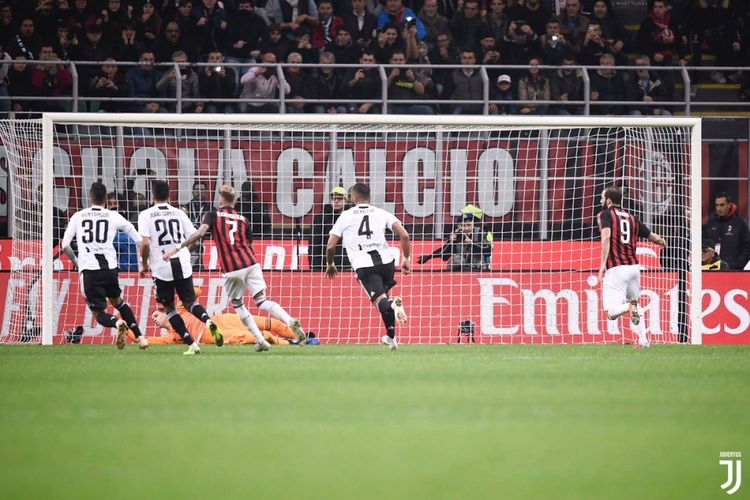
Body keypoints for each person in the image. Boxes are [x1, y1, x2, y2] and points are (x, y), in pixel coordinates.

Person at [163, 185, 307, 352]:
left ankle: (260, 340)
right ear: (235, 200)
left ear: (221, 198)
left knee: (238, 305)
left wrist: (178, 247)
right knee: (262, 301)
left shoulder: (212, 215)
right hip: (252, 263)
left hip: (232, 268)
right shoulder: (243, 219)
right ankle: (289, 320)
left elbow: (200, 233)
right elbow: (250, 244)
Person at [138, 180, 223, 356]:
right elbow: (195, 238)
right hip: (182, 264)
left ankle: (192, 344)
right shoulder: (179, 213)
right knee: (190, 303)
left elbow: (145, 243)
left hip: (161, 267)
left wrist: (144, 264)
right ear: (169, 196)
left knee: (169, 308)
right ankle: (208, 321)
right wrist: (184, 252)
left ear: (153, 196)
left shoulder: (146, 214)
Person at [60, 182, 148, 350]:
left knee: (99, 314)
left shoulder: (78, 216)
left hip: (89, 271)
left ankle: (117, 323)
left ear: (90, 197)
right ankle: (140, 337)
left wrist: (78, 264)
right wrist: (144, 261)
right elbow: (138, 239)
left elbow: (65, 245)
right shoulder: (113, 216)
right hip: (110, 269)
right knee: (119, 302)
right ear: (105, 200)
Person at [325, 183, 411, 350]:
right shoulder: (381, 213)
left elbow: (330, 246)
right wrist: (406, 259)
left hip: (364, 265)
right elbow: (405, 235)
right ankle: (391, 339)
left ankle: (393, 303)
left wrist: (330, 264)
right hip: (387, 263)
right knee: (384, 302)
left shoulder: (345, 216)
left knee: (382, 302)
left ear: (355, 197)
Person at [596, 186, 666, 349]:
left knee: (612, 312)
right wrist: (661, 241)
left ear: (608, 201)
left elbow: (606, 237)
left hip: (616, 269)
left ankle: (629, 308)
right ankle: (643, 341)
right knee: (635, 301)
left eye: (601, 198)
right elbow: (652, 236)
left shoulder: (605, 214)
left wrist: (602, 264)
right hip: (634, 268)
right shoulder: (632, 218)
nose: (600, 201)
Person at [135, 288, 299, 346]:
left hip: (220, 320)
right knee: (263, 336)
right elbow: (145, 340)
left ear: (165, 311)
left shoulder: (180, 308)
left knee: (271, 324)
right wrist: (121, 326)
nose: (154, 320)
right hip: (205, 335)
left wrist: (176, 290)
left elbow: (197, 292)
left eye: (156, 315)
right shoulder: (171, 337)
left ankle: (301, 337)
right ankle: (289, 343)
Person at [417, 206, 492, 271]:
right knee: (457, 260)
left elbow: (488, 251)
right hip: (459, 269)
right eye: (462, 225)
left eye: (468, 225)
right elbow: (445, 256)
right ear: (459, 225)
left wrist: (471, 242)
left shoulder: (480, 232)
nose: (465, 228)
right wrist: (451, 242)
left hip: (477, 268)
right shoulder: (457, 233)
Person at [703, 192, 750, 270]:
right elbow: (704, 245)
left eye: (722, 205)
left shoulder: (739, 223)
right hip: (712, 269)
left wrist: (738, 265)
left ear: (729, 205)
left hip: (733, 269)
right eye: (717, 205)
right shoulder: (711, 223)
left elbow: (747, 246)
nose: (719, 208)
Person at [310, 186, 350, 271]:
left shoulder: (351, 217)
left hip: (347, 264)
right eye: (333, 199)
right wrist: (314, 267)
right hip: (324, 264)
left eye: (339, 198)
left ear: (346, 200)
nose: (336, 201)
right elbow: (314, 243)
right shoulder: (320, 218)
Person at [107, 192, 138, 272]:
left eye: (115, 203)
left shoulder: (126, 222)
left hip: (126, 267)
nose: (112, 206)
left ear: (120, 205)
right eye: (109, 204)